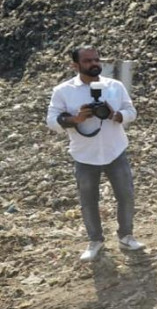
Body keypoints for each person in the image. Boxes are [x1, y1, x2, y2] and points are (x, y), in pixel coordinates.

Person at [47, 46, 143, 262]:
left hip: (115, 150)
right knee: (88, 200)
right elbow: (51, 121)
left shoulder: (115, 86)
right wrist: (76, 119)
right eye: (88, 60)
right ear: (75, 65)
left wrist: (115, 115)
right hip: (84, 155)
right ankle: (95, 241)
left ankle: (126, 236)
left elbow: (132, 112)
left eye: (96, 59)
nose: (94, 64)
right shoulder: (63, 91)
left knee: (126, 196)